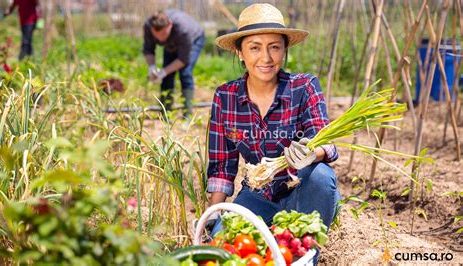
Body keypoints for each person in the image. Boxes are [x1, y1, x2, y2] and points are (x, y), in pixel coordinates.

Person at [206, 3, 341, 264]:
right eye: (255, 47)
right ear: (240, 52)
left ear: (285, 49)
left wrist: (313, 153)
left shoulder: (304, 87)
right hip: (257, 193)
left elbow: (329, 145)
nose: (266, 58)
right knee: (223, 249)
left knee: (322, 177)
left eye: (274, 47)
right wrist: (213, 212)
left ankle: (307, 257)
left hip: (302, 191)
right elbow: (222, 166)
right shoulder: (226, 97)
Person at [143, 10, 205, 119]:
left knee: (185, 73)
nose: (159, 39)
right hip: (171, 43)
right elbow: (148, 49)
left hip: (194, 39)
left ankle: (187, 114)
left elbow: (183, 60)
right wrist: (152, 67)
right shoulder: (148, 26)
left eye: (163, 34)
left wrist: (163, 72)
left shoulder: (183, 30)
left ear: (170, 25)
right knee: (167, 77)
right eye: (156, 36)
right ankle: (166, 112)